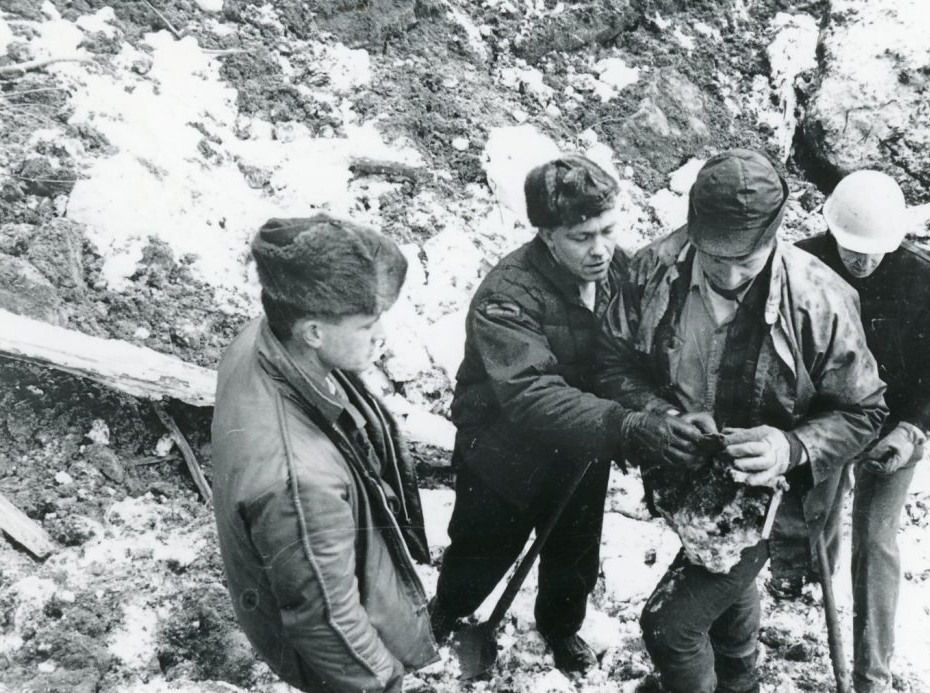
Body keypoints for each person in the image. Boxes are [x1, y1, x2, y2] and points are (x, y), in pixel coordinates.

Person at [596, 149, 888, 693]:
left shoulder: (819, 301)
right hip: (687, 480)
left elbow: (864, 411)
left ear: (775, 238)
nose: (728, 275)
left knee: (669, 626)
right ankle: (739, 679)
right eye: (714, 258)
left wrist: (791, 446)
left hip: (775, 495)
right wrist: (659, 416)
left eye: (746, 262)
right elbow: (613, 361)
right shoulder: (653, 270)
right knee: (725, 588)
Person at [430, 153, 701, 673]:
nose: (600, 249)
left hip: (584, 443)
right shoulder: (507, 294)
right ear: (547, 235)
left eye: (607, 230)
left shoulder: (620, 272)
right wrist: (625, 426)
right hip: (503, 451)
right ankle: (450, 609)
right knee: (481, 546)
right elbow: (531, 392)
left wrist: (654, 411)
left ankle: (560, 627)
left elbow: (636, 351)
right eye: (582, 237)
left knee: (575, 553)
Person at [211, 215, 437, 693]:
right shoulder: (301, 482)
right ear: (313, 331)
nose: (381, 337)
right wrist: (389, 683)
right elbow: (328, 625)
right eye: (366, 325)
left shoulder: (268, 336)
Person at [794, 170, 930, 693]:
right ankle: (804, 572)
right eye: (852, 249)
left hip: (892, 428)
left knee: (876, 540)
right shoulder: (800, 264)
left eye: (874, 252)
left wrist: (912, 428)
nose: (863, 262)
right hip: (824, 421)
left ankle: (872, 675)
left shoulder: (922, 277)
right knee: (814, 516)